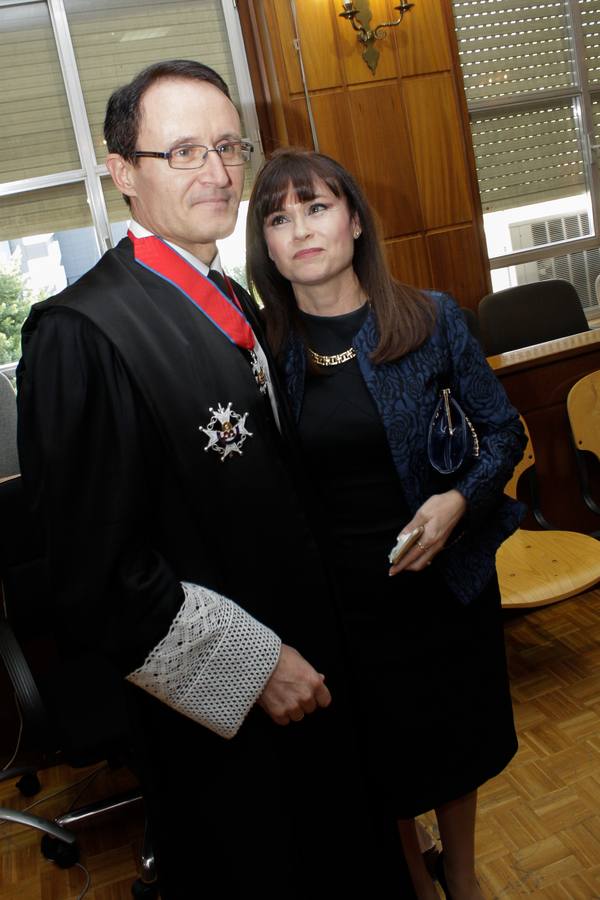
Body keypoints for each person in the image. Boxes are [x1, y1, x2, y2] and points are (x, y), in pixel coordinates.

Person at [16, 63, 412, 898]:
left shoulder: (227, 295)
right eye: (185, 150)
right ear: (124, 172)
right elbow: (94, 576)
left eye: (228, 146)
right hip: (225, 722)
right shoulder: (83, 332)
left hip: (317, 675)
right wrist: (257, 666)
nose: (221, 173)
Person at [246, 149, 527, 900]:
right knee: (378, 750)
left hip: (445, 580)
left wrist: (458, 501)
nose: (300, 229)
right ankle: (413, 875)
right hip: (340, 600)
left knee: (455, 740)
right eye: (279, 217)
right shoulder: (262, 352)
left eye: (316, 207)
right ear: (265, 245)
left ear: (355, 219)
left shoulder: (430, 318)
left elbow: (504, 434)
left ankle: (460, 873)